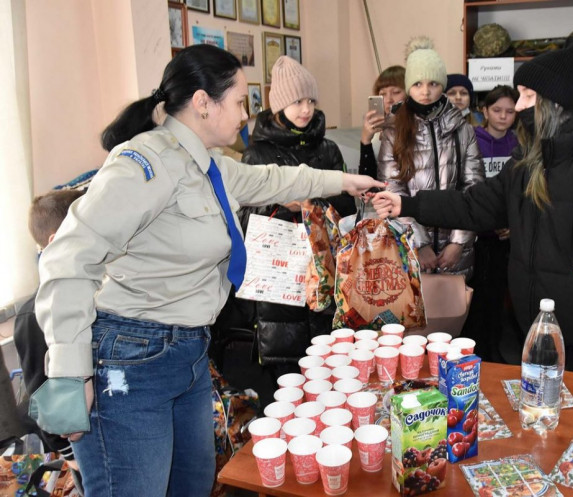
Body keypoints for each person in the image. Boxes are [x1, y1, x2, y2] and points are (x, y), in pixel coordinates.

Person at [32, 44, 382, 497]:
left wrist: (344, 181)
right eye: (239, 101)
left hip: (189, 352)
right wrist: (71, 374)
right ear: (202, 102)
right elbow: (66, 259)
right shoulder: (145, 164)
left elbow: (274, 179)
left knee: (194, 486)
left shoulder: (207, 165)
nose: (245, 114)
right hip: (130, 359)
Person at [373, 38, 573, 375]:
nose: (518, 106)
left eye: (527, 96)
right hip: (539, 323)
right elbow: (476, 206)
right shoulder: (529, 160)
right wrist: (408, 203)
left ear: (553, 103)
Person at [239, 55, 355, 382]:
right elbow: (244, 217)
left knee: (330, 362)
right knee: (287, 373)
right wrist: (279, 203)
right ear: (278, 105)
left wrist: (314, 200)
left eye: (311, 101)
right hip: (281, 271)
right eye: (296, 102)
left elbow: (346, 203)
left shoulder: (328, 148)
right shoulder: (257, 154)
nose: (306, 109)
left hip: (325, 265)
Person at [378, 37, 484, 278]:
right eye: (417, 84)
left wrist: (459, 242)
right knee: (411, 314)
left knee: (454, 313)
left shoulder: (463, 129)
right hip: (410, 249)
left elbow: (474, 188)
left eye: (433, 83)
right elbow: (392, 190)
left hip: (457, 253)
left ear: (443, 85)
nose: (425, 91)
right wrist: (420, 244)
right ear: (408, 87)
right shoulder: (394, 131)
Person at [14, 189, 84, 471]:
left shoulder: (85, 295)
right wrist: (69, 455)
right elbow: (42, 392)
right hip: (78, 448)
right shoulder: (34, 315)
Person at [461, 85, 519, 362]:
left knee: (498, 296)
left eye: (510, 111)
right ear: (484, 111)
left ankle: (493, 350)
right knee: (476, 298)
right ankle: (473, 352)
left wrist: (514, 223)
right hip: (477, 234)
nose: (503, 116)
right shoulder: (474, 141)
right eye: (497, 110)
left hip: (507, 235)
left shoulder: (520, 144)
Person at [359, 65, 406, 178]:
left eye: (396, 92)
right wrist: (365, 141)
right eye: (383, 94)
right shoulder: (376, 131)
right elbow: (366, 179)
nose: (389, 99)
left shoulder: (420, 127)